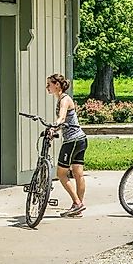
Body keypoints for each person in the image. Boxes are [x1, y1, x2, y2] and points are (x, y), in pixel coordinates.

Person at [47, 73, 88, 217]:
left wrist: (54, 126)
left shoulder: (64, 100)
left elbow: (62, 118)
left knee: (61, 174)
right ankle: (78, 207)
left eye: (49, 84)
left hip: (72, 141)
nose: (47, 87)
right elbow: (65, 122)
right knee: (78, 173)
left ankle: (77, 203)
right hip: (81, 139)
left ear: (57, 85)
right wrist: (56, 129)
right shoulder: (63, 99)